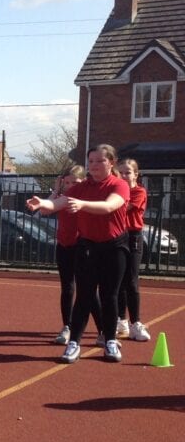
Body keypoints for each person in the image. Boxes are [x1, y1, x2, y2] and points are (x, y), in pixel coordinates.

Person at [27, 144, 130, 363]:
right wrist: (42, 203)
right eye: (91, 161)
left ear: (111, 162)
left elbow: (109, 206)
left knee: (109, 295)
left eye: (100, 161)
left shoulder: (119, 185)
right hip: (88, 246)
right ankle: (74, 343)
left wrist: (82, 204)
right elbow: (59, 203)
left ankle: (110, 341)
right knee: (84, 295)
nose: (94, 165)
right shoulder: (81, 188)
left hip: (114, 247)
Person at [47, 164, 102, 346]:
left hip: (82, 245)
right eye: (67, 182)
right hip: (64, 246)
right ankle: (67, 327)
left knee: (88, 290)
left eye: (75, 182)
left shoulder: (85, 199)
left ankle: (103, 330)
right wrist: (56, 190)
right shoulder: (61, 198)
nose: (71, 186)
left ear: (83, 181)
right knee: (67, 288)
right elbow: (45, 209)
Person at [115, 158, 150, 342]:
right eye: (120, 173)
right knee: (119, 280)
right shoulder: (116, 192)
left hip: (133, 236)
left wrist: (109, 202)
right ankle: (121, 320)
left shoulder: (138, 191)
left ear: (136, 174)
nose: (124, 176)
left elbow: (122, 208)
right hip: (118, 236)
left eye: (127, 172)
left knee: (131, 280)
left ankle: (136, 322)